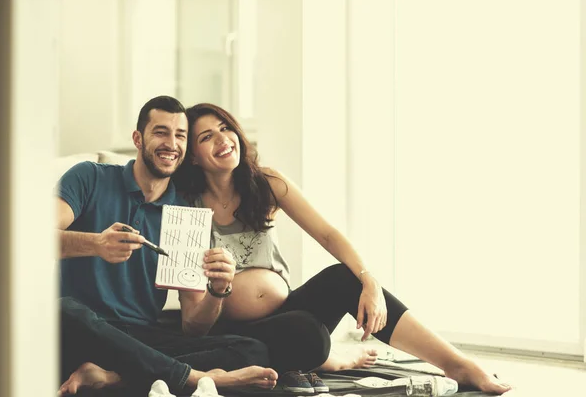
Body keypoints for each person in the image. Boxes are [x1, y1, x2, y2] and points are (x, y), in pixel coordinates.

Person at [171, 102, 513, 395]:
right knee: (305, 334)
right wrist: (219, 290)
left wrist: (370, 282)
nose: (223, 139)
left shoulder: (266, 184)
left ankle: (457, 363)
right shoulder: (186, 210)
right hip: (233, 331)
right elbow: (192, 325)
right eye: (206, 137)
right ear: (194, 158)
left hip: (288, 310)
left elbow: (328, 235)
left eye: (225, 128)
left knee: (342, 278)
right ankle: (328, 358)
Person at [57, 96, 277, 396]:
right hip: (81, 332)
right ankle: (195, 378)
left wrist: (217, 290)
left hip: (139, 338)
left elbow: (192, 326)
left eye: (180, 135)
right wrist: (96, 244)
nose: (171, 143)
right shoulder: (89, 177)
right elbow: (28, 239)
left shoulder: (185, 213)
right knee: (61, 310)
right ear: (138, 138)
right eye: (161, 132)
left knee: (251, 350)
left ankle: (113, 378)